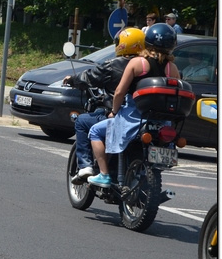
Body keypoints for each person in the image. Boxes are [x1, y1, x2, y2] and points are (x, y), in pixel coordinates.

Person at [86, 24, 181, 188]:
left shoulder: (138, 63)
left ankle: (104, 174)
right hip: (161, 122)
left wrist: (114, 112)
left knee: (95, 131)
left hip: (133, 118)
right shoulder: (172, 68)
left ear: (147, 42)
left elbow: (119, 92)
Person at [64, 28, 145, 183]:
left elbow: (90, 76)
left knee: (82, 121)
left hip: (119, 114)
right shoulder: (147, 66)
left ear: (122, 44)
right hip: (142, 116)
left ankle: (87, 166)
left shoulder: (114, 65)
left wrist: (72, 79)